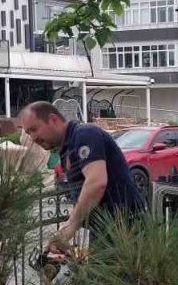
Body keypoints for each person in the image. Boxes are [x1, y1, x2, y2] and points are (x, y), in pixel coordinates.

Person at [19, 101, 145, 249]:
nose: (33, 138)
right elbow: (82, 194)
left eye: (34, 129)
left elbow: (96, 183)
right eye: (28, 133)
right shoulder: (67, 147)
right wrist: (66, 229)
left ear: (53, 119)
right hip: (105, 230)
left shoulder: (85, 134)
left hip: (124, 228)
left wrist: (69, 229)